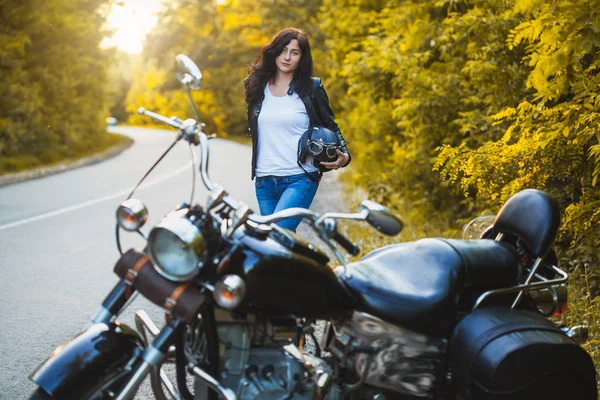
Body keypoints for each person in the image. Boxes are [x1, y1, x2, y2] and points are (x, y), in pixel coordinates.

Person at [244, 27, 351, 232]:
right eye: (283, 50)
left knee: (279, 236)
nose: (287, 57)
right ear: (274, 52)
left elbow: (330, 124)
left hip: (300, 177)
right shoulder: (256, 86)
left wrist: (344, 155)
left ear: (302, 58)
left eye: (295, 52)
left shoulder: (311, 88)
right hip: (264, 180)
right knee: (273, 247)